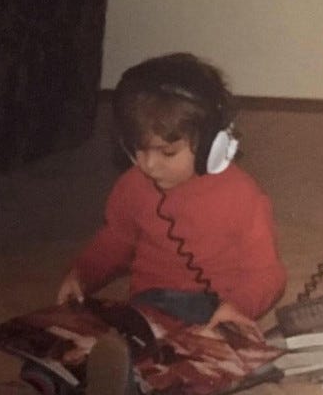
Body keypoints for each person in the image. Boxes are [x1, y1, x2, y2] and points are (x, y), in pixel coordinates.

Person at [56, 52, 287, 393]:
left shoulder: (242, 196)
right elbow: (115, 239)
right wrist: (83, 273)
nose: (149, 164)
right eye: (138, 149)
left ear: (214, 145)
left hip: (215, 312)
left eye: (167, 153)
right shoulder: (132, 186)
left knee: (193, 362)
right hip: (149, 306)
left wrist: (239, 306)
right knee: (98, 345)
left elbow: (268, 273)